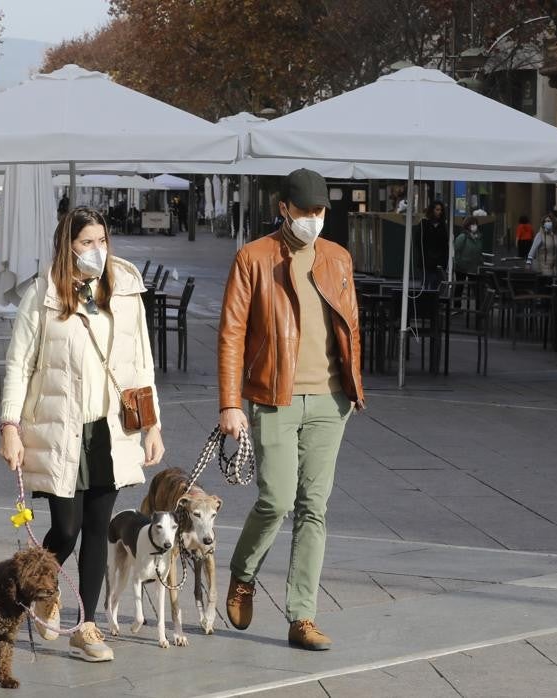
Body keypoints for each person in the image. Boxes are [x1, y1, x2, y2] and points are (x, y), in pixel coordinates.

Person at [0, 207, 165, 663]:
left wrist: (152, 425)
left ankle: (87, 625)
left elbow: (142, 364)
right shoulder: (43, 294)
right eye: (86, 242)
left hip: (110, 429)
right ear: (67, 246)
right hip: (60, 429)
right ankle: (44, 585)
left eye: (102, 240)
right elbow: (18, 364)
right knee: (67, 528)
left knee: (97, 528)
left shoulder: (125, 290)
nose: (97, 250)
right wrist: (10, 426)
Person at [219, 168, 364, 652]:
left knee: (313, 508)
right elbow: (232, 334)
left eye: (320, 211)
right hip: (272, 397)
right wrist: (230, 404)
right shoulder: (254, 258)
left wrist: (352, 386)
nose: (313, 219)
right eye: (304, 211)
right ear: (284, 208)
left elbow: (350, 325)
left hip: (329, 400)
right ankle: (243, 573)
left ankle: (302, 616)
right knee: (277, 500)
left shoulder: (338, 258)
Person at [420, 201, 450, 289]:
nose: (439, 212)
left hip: (439, 260)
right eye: (437, 210)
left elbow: (445, 243)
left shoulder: (442, 225)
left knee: (436, 283)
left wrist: (444, 260)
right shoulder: (424, 223)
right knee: (427, 282)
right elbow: (419, 241)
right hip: (427, 259)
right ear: (432, 210)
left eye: (441, 210)